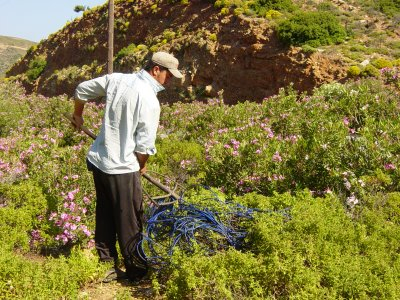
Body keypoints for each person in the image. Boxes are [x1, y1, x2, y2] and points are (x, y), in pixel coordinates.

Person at [72, 51, 183, 282]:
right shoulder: (150, 101)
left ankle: (107, 265)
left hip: (99, 161)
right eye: (168, 75)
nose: (169, 80)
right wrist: (141, 165)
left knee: (104, 213)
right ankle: (137, 272)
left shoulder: (117, 79)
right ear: (155, 70)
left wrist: (78, 115)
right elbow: (144, 147)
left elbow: (81, 89)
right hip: (122, 167)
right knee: (129, 220)